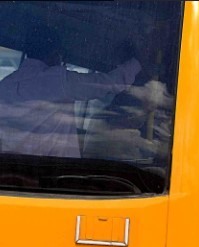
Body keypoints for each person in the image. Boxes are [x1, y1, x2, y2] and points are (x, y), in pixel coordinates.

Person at [0, 29, 141, 158]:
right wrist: (138, 62)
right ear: (56, 54)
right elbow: (109, 83)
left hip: (9, 174)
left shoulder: (4, 85)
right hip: (55, 177)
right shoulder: (58, 80)